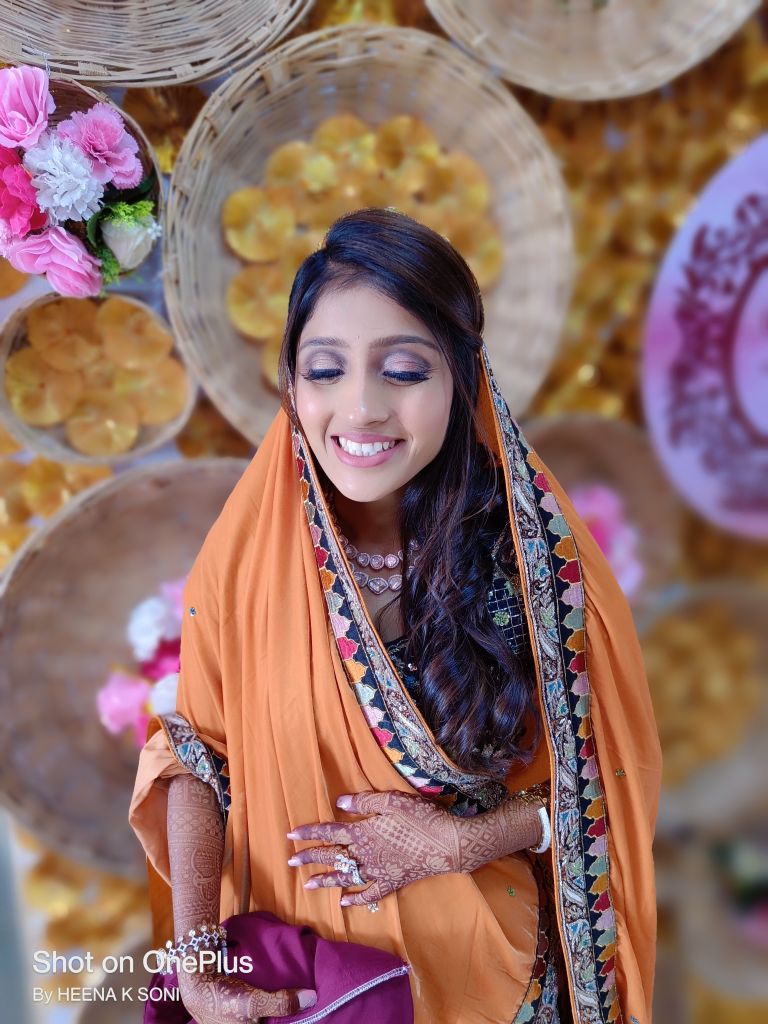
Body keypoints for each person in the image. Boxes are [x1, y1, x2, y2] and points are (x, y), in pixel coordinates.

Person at [130, 208, 662, 1024]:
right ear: (291, 384)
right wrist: (200, 961)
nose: (362, 408)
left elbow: (607, 782)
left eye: (405, 371)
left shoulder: (535, 563)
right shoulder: (246, 560)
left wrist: (462, 842)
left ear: (463, 379)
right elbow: (195, 757)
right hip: (315, 994)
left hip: (500, 983)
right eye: (325, 370)